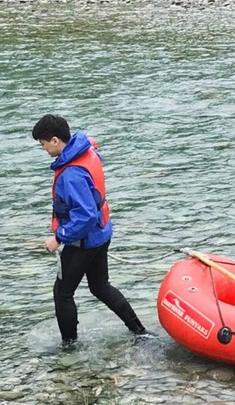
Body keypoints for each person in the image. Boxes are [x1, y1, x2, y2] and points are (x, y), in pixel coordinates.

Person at [31, 114, 150, 348]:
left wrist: (58, 238)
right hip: (102, 234)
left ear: (55, 140)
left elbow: (85, 215)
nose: (43, 149)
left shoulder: (71, 174)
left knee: (63, 293)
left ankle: (69, 346)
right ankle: (139, 331)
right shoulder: (87, 151)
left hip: (83, 242)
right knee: (99, 286)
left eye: (43, 144)